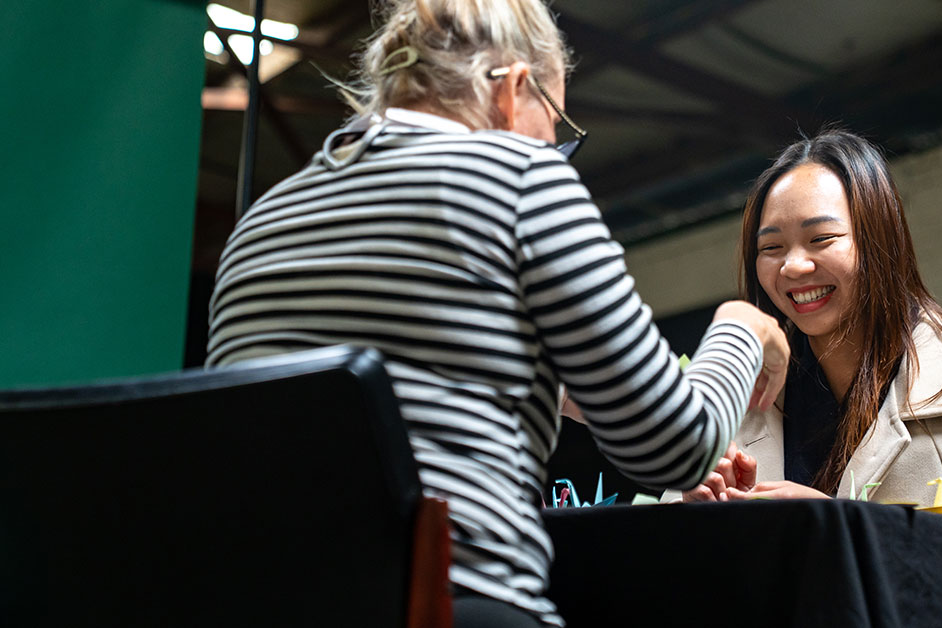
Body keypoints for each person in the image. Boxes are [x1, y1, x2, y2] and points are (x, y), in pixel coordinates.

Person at [205, 1, 789, 626]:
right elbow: (676, 450)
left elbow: (397, 375)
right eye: (557, 122)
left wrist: (559, 384)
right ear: (513, 89)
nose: (554, 146)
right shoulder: (519, 175)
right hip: (451, 602)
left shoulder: (261, 222)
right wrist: (743, 328)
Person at [664, 130, 942, 535]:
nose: (793, 266)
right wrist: (694, 513)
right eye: (771, 248)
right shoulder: (734, 398)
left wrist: (845, 527)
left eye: (822, 239)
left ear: (878, 241)